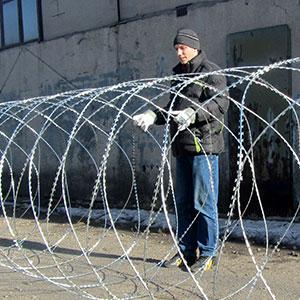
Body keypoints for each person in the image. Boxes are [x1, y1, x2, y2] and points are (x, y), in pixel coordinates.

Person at [133, 28, 229, 272]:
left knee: (203, 202)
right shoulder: (178, 75)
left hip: (203, 147)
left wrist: (194, 113)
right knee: (184, 202)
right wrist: (153, 115)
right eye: (176, 48)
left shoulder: (210, 71)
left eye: (182, 48)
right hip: (182, 147)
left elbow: (220, 103)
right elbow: (173, 107)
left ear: (194, 47)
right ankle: (186, 250)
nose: (179, 52)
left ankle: (208, 253)